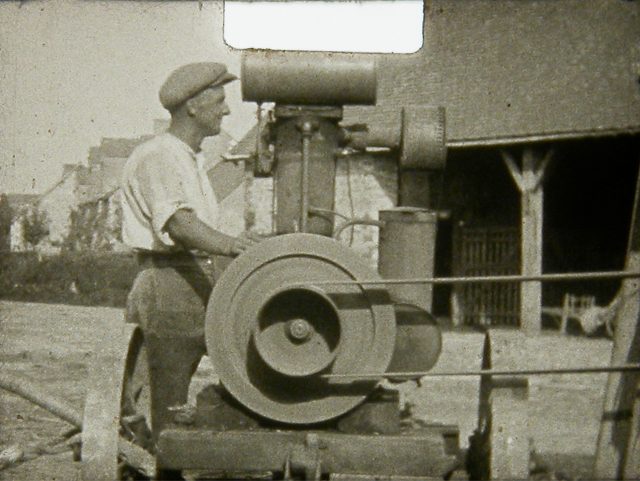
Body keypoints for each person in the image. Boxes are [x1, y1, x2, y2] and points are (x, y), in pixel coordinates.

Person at [120, 62, 257, 440]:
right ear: (193, 106)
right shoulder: (159, 155)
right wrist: (232, 244)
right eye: (219, 101)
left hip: (191, 277)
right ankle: (165, 463)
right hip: (170, 282)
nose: (226, 110)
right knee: (169, 401)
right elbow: (179, 223)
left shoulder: (186, 157)